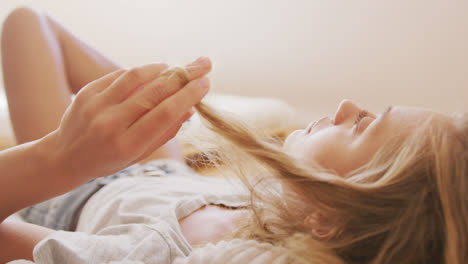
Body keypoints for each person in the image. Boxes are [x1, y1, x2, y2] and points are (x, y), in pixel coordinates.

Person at [1, 6, 467, 264]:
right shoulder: (295, 215)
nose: (346, 107)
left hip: (77, 191)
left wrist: (59, 160)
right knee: (135, 79)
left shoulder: (167, 255)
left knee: (25, 24)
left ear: (332, 217)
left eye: (363, 124)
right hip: (165, 173)